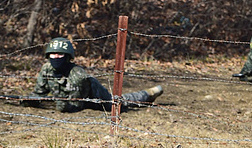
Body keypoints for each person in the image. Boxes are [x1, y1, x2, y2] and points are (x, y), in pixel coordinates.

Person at [28, 37, 164, 112]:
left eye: (60, 54)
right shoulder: (47, 69)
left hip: (99, 100)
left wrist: (56, 102)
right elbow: (39, 93)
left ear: (68, 56)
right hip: (81, 102)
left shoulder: (78, 75)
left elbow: (73, 106)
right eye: (53, 54)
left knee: (120, 103)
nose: (56, 57)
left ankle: (149, 94)